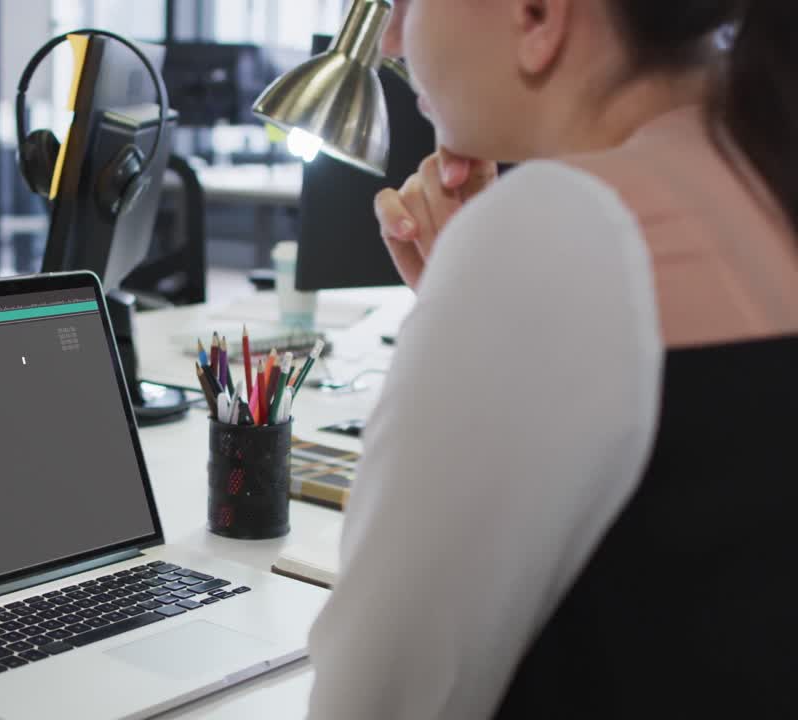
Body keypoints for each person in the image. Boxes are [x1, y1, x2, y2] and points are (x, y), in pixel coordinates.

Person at [308, 1, 797, 718]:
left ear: (538, 15)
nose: (389, 38)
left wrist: (486, 289)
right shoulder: (765, 174)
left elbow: (373, 699)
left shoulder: (561, 229)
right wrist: (471, 313)